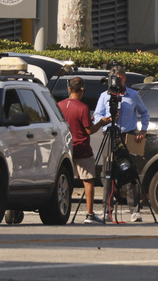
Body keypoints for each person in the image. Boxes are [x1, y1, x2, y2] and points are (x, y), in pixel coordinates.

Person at [93, 64, 150, 222]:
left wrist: (143, 130)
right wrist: (107, 119)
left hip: (129, 135)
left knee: (130, 172)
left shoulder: (133, 95)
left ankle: (135, 210)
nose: (117, 82)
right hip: (111, 135)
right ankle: (107, 209)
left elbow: (144, 112)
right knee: (108, 173)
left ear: (124, 78)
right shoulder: (104, 96)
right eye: (115, 79)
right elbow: (97, 115)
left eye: (120, 78)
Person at [57, 77, 109, 223]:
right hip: (82, 148)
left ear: (69, 89)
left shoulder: (59, 105)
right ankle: (90, 214)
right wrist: (101, 123)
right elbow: (88, 130)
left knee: (64, 180)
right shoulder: (83, 107)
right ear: (83, 90)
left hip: (65, 147)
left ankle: (62, 209)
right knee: (88, 180)